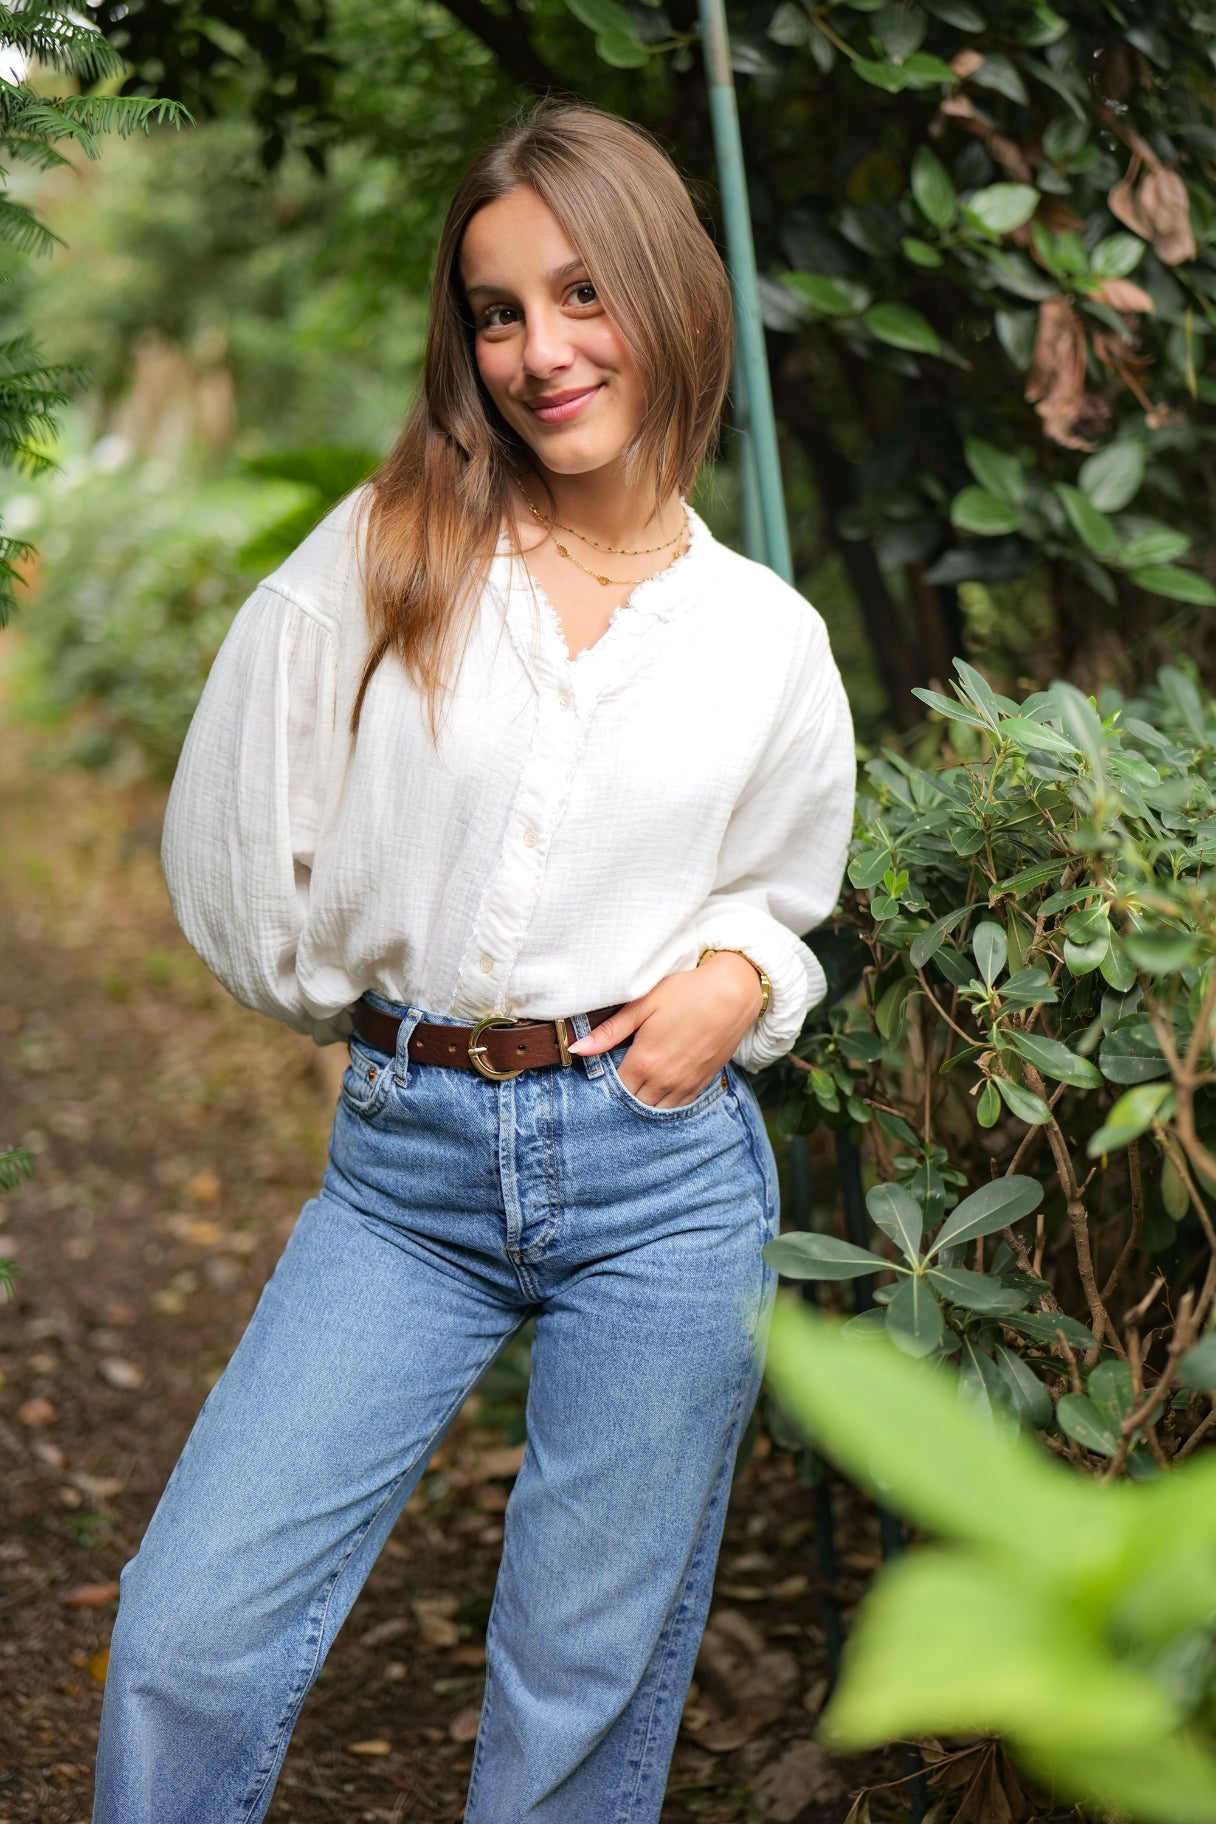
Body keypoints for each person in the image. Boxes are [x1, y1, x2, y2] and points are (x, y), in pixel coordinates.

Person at [92, 100, 855, 1824]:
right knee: (185, 1632)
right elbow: (235, 827)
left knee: (576, 1701)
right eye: (497, 311)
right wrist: (369, 1019)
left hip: (661, 1184)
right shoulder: (392, 553)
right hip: (404, 1176)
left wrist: (744, 973)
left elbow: (782, 882)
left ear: (669, 294)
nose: (538, 350)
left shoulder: (767, 640)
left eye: (582, 293)